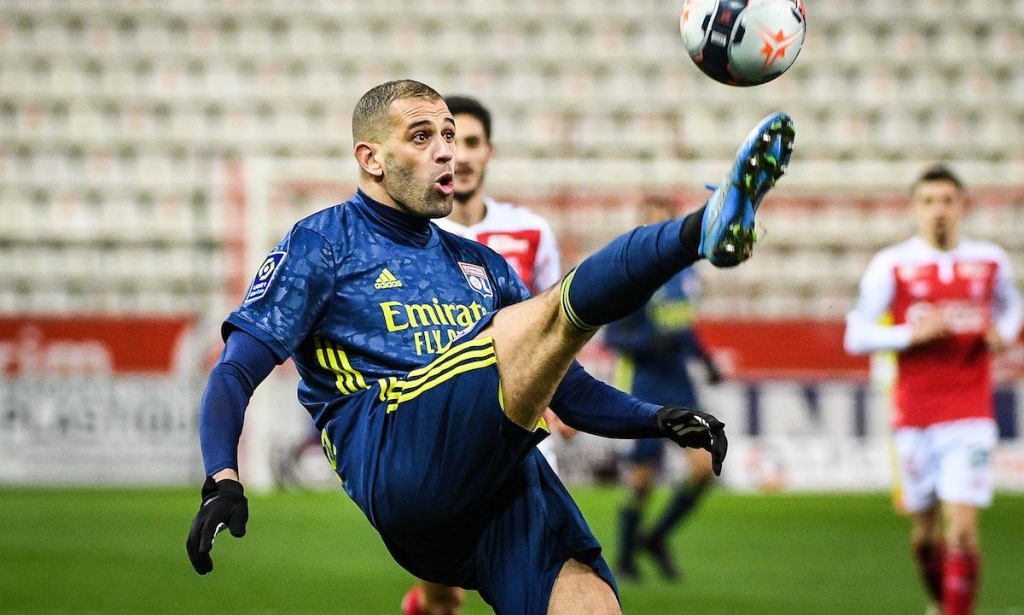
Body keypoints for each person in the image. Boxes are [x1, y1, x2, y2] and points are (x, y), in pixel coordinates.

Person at [186, 79, 794, 615]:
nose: (446, 151)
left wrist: (658, 420)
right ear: (370, 159)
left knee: (589, 601)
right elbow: (236, 370)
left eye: (449, 135)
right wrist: (222, 476)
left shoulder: (480, 264)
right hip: (397, 450)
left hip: (494, 478)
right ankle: (700, 229)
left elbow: (567, 386)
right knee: (547, 315)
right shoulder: (323, 243)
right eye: (422, 136)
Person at [402, 94, 573, 615]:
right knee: (443, 593)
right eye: (450, 141)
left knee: (535, 576)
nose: (462, 154)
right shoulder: (412, 233)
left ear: (489, 151)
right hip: (442, 426)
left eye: (471, 141)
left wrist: (562, 400)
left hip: (521, 424)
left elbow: (558, 323)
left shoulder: (531, 231)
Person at [844, 164, 1022, 615]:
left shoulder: (991, 260)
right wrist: (909, 335)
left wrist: (1003, 332)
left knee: (962, 531)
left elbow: (1012, 309)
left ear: (963, 206)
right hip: (915, 415)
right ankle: (940, 602)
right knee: (926, 540)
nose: (937, 210)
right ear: (913, 209)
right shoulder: (893, 264)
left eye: (946, 200)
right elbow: (856, 335)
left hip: (971, 412)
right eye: (928, 202)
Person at [603, 196, 723, 583]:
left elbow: (683, 327)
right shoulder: (628, 275)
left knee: (704, 469)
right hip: (643, 382)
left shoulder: (684, 275)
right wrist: (649, 343)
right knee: (641, 477)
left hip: (678, 382)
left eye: (665, 224)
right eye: (651, 224)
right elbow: (613, 335)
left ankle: (655, 537)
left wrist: (704, 360)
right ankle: (623, 558)